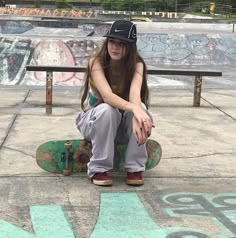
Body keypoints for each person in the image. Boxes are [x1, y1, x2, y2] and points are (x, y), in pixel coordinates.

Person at [76, 20, 154, 186]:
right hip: (93, 122)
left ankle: (135, 167)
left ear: (131, 46)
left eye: (122, 43)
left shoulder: (137, 65)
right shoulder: (96, 62)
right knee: (107, 109)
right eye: (112, 41)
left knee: (142, 109)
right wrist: (135, 108)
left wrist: (138, 112)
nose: (115, 47)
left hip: (120, 127)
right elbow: (107, 96)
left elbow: (134, 95)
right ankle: (98, 168)